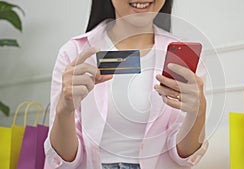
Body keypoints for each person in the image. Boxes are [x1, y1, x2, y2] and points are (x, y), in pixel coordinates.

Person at [44, 0, 208, 168]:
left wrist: (198, 112)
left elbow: (184, 156)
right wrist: (64, 110)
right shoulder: (73, 52)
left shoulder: (183, 59)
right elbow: (62, 160)